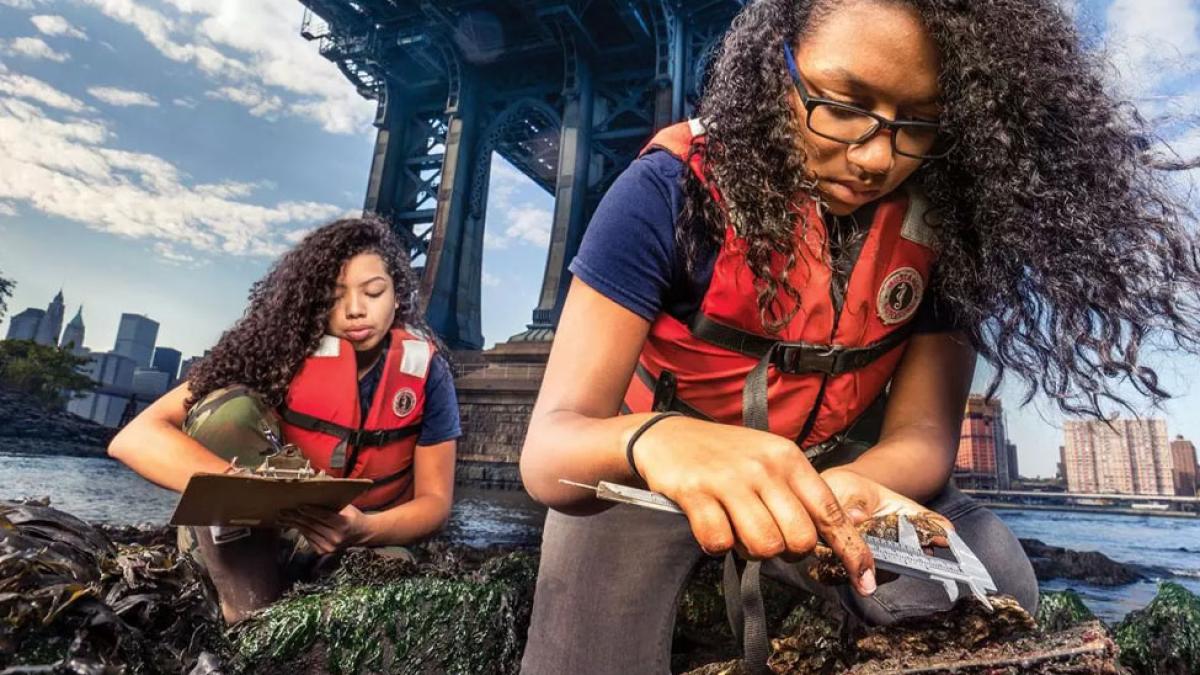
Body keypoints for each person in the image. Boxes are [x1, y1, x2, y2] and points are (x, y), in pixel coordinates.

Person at [518, 0, 1200, 672]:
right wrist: (657, 439)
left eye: (918, 123)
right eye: (844, 104)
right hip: (652, 479)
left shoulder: (949, 234)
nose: (876, 158)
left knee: (995, 577)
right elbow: (551, 449)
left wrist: (854, 488)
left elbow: (925, 439)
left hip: (834, 477)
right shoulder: (665, 190)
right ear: (774, 69)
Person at [109, 218, 461, 623]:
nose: (355, 310)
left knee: (389, 579)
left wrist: (364, 529)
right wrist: (242, 489)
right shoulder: (276, 351)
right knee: (228, 405)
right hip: (245, 534)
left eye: (374, 292)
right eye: (333, 296)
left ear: (397, 296)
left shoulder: (427, 372)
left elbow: (435, 503)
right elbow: (134, 437)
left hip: (359, 539)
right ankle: (244, 614)